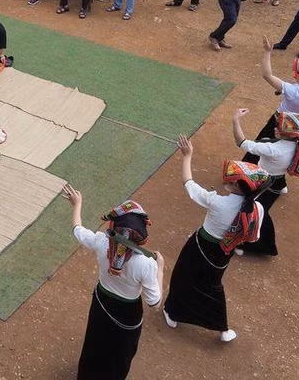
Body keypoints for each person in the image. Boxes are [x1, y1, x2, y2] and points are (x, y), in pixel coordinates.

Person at [162, 135, 268, 343]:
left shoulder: (217, 201)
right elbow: (251, 237)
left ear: (238, 186)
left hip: (200, 245)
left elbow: (188, 183)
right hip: (224, 252)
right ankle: (222, 328)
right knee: (213, 286)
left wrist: (187, 156)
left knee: (183, 276)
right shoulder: (258, 208)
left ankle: (172, 312)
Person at [63, 186, 164, 380]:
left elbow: (78, 229)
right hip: (128, 313)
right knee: (119, 353)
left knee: (95, 341)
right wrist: (160, 269)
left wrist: (77, 204)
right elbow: (155, 302)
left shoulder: (101, 243)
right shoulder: (146, 264)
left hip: (101, 302)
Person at [232, 108, 299, 257]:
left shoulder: (274, 149)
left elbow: (241, 142)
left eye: (278, 128)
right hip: (276, 180)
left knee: (258, 211)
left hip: (266, 183)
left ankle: (264, 246)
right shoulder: (296, 143)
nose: (274, 128)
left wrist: (235, 120)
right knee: (258, 209)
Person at [243, 38, 299, 166]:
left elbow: (267, 75)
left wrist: (267, 52)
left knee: (260, 147)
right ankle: (278, 181)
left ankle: (246, 176)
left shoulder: (293, 91)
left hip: (279, 124)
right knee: (283, 154)